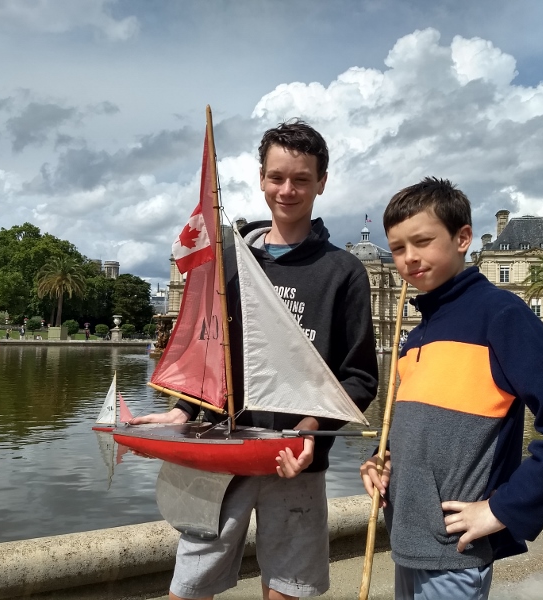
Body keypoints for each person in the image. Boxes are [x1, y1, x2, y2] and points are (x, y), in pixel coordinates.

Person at [131, 120, 380, 600]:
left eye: (302, 179)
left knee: (289, 589)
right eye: (277, 177)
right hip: (222, 453)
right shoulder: (229, 260)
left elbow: (359, 376)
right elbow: (207, 353)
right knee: (189, 585)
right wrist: (183, 409)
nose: (287, 190)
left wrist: (309, 428)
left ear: (322, 182)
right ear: (261, 177)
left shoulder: (343, 272)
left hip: (296, 460)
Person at [360, 177, 543, 600]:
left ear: (463, 238)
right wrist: (380, 459)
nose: (409, 259)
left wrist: (502, 508)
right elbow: (420, 427)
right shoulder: (419, 334)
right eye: (399, 248)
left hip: (455, 553)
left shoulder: (499, 314)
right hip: (408, 542)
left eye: (422, 241)